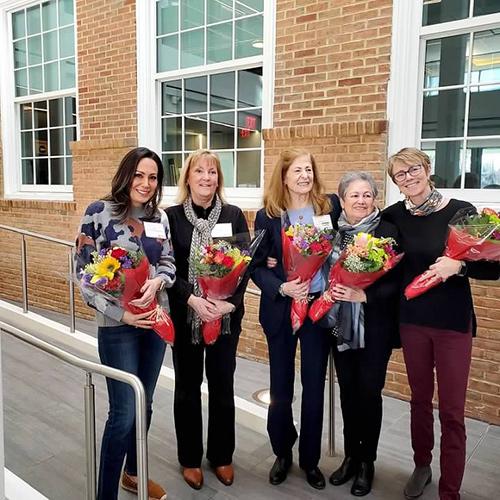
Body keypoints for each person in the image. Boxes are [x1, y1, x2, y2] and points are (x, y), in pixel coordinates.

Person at [383, 147, 500, 500]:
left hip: (452, 323)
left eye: (414, 169)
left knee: (452, 411)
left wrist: (459, 267)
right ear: (396, 184)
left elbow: (494, 266)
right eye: (400, 175)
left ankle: (451, 490)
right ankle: (422, 465)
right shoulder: (392, 217)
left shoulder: (461, 211)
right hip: (413, 322)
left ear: (428, 168)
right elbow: (385, 268)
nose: (409, 178)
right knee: (419, 401)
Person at [75, 147, 175, 500]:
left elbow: (168, 262)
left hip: (153, 323)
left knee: (144, 403)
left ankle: (133, 474)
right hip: (118, 327)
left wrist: (159, 281)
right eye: (139, 175)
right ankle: (105, 495)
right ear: (126, 175)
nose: (146, 184)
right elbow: (83, 275)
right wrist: (123, 314)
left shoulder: (158, 218)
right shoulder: (98, 213)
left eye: (153, 178)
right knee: (122, 413)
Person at [250, 149, 341, 490]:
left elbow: (342, 248)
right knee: (281, 386)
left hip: (317, 309)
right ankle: (282, 452)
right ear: (284, 177)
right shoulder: (268, 215)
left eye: (309, 169)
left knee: (315, 385)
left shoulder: (328, 206)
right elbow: (256, 265)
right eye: (297, 170)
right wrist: (282, 285)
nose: (304, 175)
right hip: (282, 308)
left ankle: (310, 459)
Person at [166, 149, 250, 490]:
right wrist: (194, 300)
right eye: (199, 171)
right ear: (187, 177)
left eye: (212, 172)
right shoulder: (171, 217)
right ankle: (189, 458)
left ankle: (221, 455)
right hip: (187, 315)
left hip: (225, 316)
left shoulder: (233, 214)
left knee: (222, 385)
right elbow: (167, 266)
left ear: (219, 179)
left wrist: (228, 303)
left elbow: (244, 264)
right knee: (187, 387)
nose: (206, 177)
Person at [326, 172, 400, 497]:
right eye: (354, 195)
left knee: (369, 393)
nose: (361, 201)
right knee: (347, 393)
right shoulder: (333, 232)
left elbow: (397, 283)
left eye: (367, 195)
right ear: (342, 200)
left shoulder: (387, 232)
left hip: (374, 329)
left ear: (375, 199)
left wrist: (365, 296)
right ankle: (351, 457)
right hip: (340, 327)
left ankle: (367, 461)